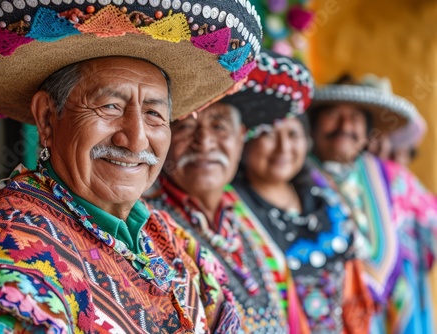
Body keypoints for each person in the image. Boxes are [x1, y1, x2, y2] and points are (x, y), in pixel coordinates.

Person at [0, 1, 263, 332]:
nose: (135, 140)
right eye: (109, 106)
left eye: (153, 113)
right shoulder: (6, 250)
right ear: (48, 120)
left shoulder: (170, 237)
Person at [145, 50, 319, 333]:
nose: (204, 142)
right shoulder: (147, 222)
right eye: (186, 125)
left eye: (219, 125)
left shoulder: (244, 214)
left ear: (241, 138)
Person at [223, 51, 372, 333]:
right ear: (244, 143)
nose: (283, 148)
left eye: (292, 135)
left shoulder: (325, 199)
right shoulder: (233, 209)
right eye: (268, 134)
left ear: (307, 142)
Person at [308, 74, 437, 334]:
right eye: (333, 115)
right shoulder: (294, 174)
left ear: (367, 135)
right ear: (313, 125)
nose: (345, 125)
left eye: (355, 119)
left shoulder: (392, 177)